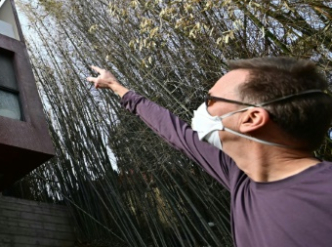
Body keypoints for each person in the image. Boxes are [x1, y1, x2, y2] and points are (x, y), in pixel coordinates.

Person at [86, 57, 332, 247]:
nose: (201, 108)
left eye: (211, 101)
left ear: (251, 118)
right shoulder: (241, 178)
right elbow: (176, 132)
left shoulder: (323, 192)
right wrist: (116, 87)